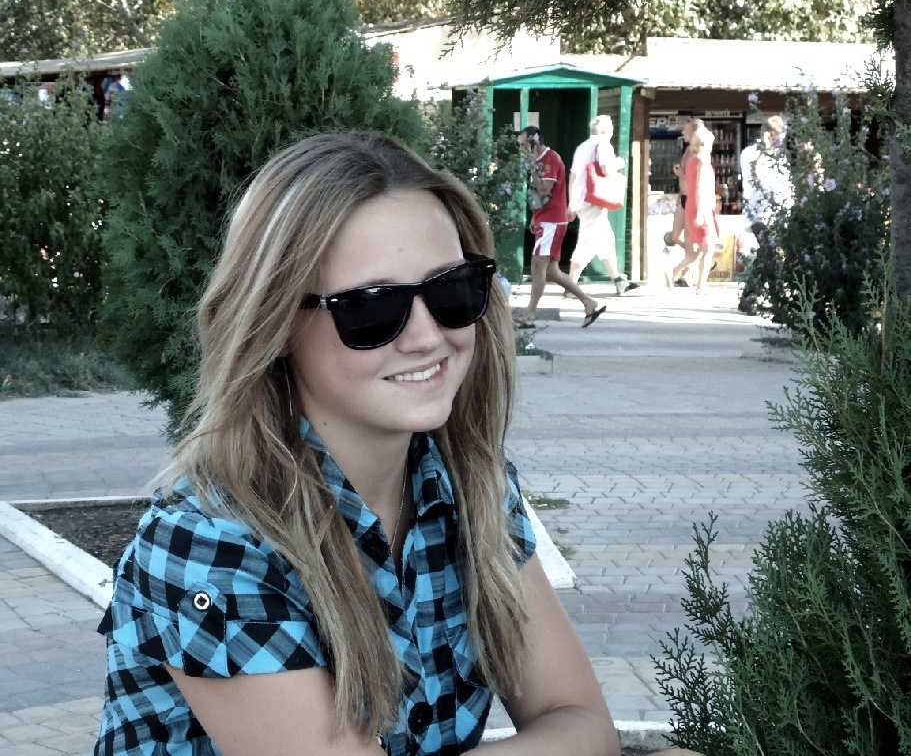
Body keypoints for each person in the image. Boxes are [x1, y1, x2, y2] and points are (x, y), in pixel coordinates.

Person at [93, 132, 705, 756]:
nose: (426, 336)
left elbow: (581, 722)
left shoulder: (470, 487)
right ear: (275, 324)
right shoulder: (211, 545)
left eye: (452, 291)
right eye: (372, 308)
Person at [514, 126, 606, 330]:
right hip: (546, 219)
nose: (521, 149)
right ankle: (588, 302)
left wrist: (531, 166)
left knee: (537, 266)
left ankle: (529, 315)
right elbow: (541, 196)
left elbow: (544, 189)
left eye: (523, 145)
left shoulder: (550, 159)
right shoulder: (539, 160)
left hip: (552, 221)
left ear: (534, 143)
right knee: (552, 271)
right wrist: (535, 217)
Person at [566, 115, 630, 297]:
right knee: (588, 243)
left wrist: (571, 204)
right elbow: (606, 169)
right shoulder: (603, 145)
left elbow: (573, 176)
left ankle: (618, 280)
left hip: (582, 201)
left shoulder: (582, 147)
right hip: (593, 201)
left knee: (603, 240)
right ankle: (571, 285)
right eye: (610, 128)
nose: (612, 131)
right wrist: (619, 162)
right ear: (604, 130)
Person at [738, 115, 792, 313]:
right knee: (771, 253)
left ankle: (753, 296)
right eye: (778, 136)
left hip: (778, 213)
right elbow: (757, 178)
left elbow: (784, 185)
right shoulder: (751, 153)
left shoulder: (781, 156)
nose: (781, 140)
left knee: (768, 254)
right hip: (759, 212)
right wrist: (765, 151)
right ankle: (774, 300)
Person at [668, 124, 719, 294]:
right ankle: (700, 286)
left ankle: (675, 272)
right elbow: (700, 188)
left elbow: (690, 186)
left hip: (691, 205)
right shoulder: (703, 162)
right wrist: (701, 212)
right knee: (707, 249)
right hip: (701, 208)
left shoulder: (691, 161)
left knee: (697, 250)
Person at [665, 118, 704, 287]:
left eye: (686, 130)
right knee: (675, 236)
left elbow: (696, 179)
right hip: (682, 196)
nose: (682, 133)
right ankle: (696, 257)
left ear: (694, 132)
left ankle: (687, 271)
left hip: (691, 197)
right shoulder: (687, 149)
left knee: (689, 238)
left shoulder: (698, 153)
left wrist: (681, 174)